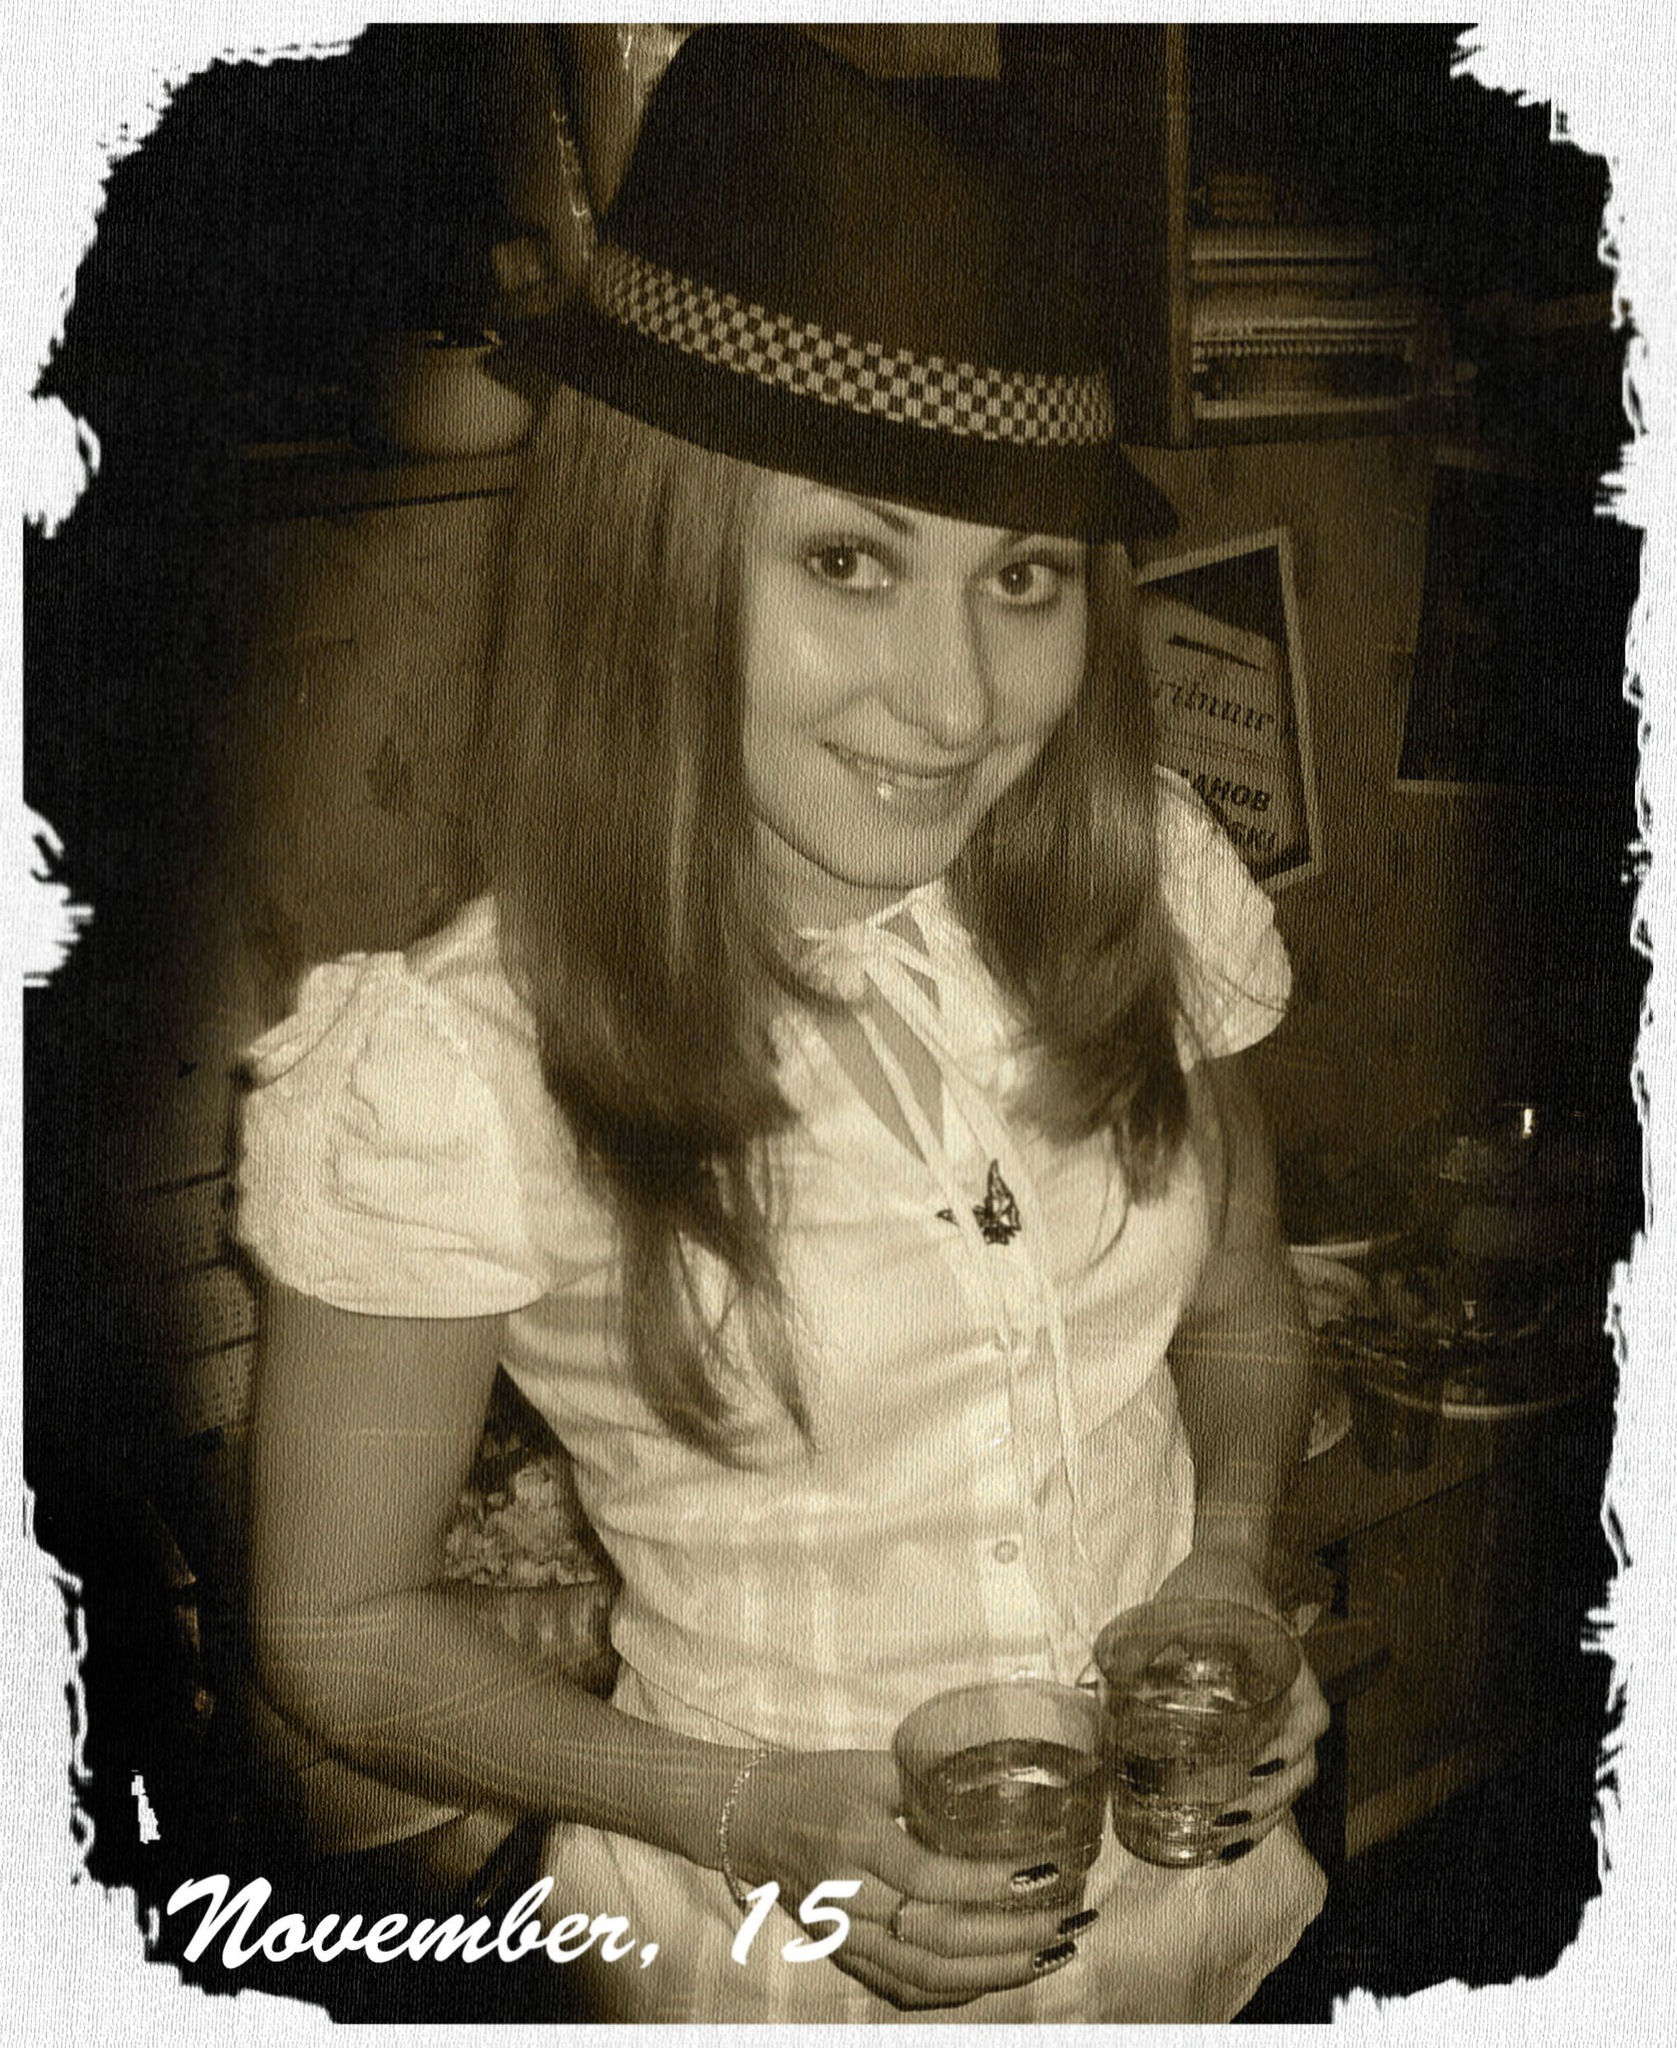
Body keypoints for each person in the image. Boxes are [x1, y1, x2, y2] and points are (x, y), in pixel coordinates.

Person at [237, 25, 1329, 2023]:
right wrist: (738, 1809)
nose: (958, 698)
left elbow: (1243, 1308)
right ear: (647, 565)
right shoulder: (449, 1068)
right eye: (846, 559)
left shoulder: (1142, 882)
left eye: (1020, 576)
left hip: (1177, 1936)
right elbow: (337, 1625)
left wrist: (1227, 1570)